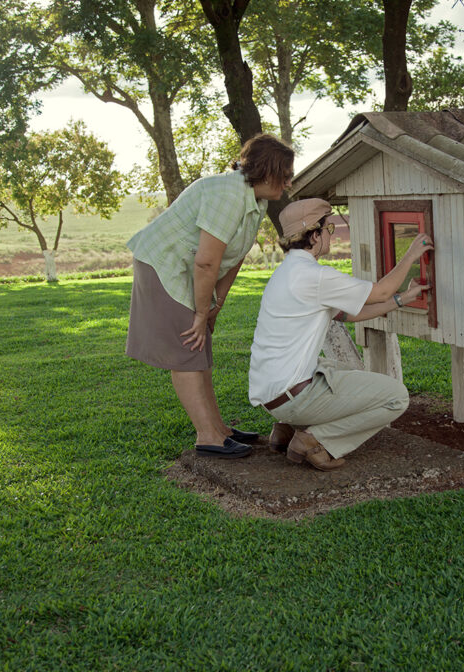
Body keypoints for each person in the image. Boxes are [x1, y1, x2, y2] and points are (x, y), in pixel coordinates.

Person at [125, 133, 294, 458]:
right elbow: (206, 261)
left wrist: (216, 304)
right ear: (267, 170)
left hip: (189, 270)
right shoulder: (227, 193)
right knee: (188, 346)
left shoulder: (256, 201)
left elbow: (235, 255)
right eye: (285, 174)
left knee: (199, 347)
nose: (288, 182)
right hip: (164, 266)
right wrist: (201, 314)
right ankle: (207, 437)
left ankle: (220, 429)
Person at [248, 198, 434, 471]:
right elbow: (380, 290)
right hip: (295, 397)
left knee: (342, 371)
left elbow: (346, 314)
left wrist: (401, 299)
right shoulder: (315, 276)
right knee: (396, 397)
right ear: (314, 235)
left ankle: (286, 430)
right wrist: (411, 254)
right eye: (329, 230)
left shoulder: (287, 272)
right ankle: (312, 438)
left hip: (274, 394)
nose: (330, 236)